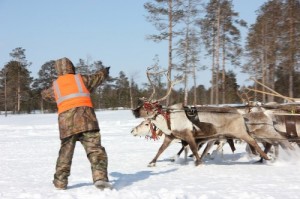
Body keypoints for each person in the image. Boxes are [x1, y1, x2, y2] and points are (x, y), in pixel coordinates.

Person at [41, 57, 112, 190]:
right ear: (71, 67)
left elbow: (45, 95)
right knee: (95, 150)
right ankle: (100, 178)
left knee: (65, 153)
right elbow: (98, 77)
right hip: (87, 121)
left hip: (67, 125)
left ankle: (60, 182)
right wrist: (105, 71)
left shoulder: (55, 86)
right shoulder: (82, 79)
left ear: (58, 70)